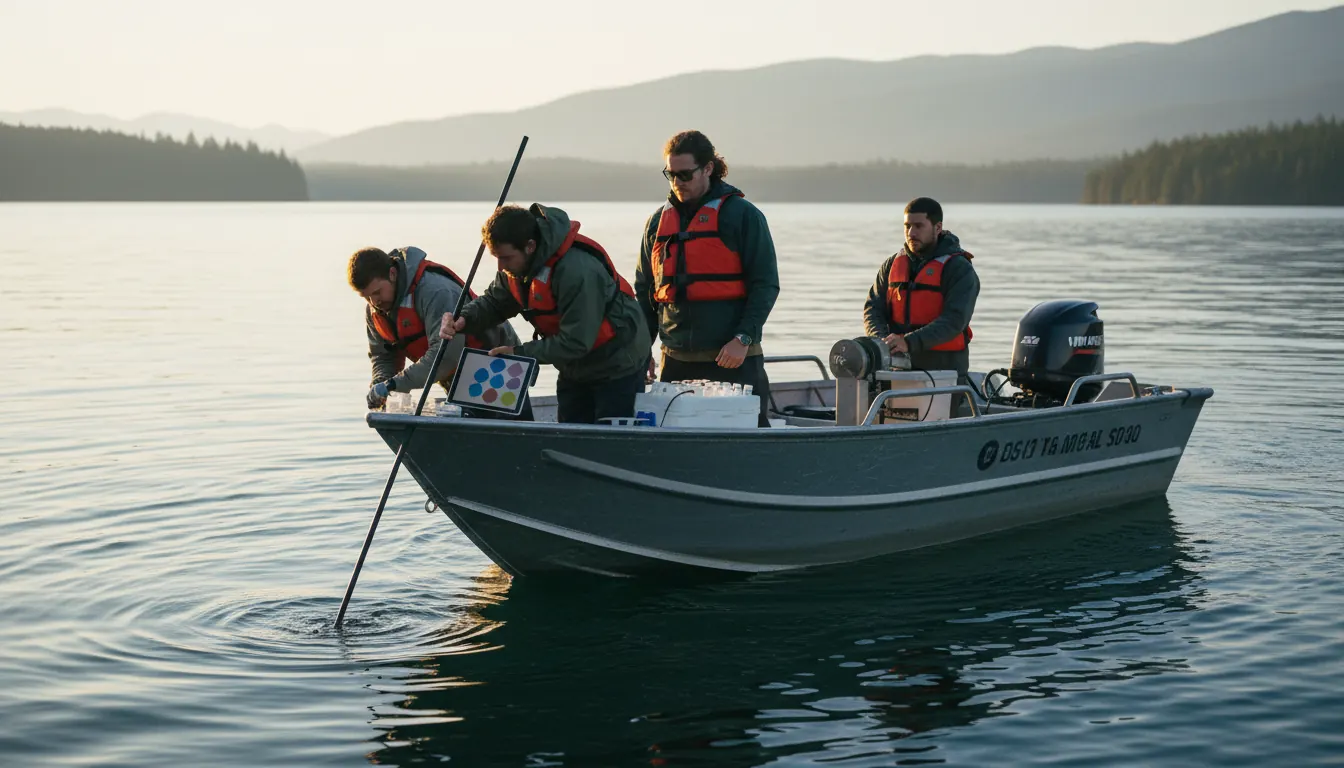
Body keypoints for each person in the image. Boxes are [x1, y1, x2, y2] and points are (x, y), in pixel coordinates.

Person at [439, 204, 650, 424]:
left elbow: (576, 341)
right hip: (574, 367)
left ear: (530, 246)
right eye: (496, 258)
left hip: (618, 362)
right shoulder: (514, 268)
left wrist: (518, 352)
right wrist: (463, 319)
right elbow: (494, 302)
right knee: (569, 434)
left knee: (609, 439)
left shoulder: (577, 271)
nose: (500, 266)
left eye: (506, 258)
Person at [635, 130, 780, 427]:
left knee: (748, 441)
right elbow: (645, 292)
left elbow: (765, 284)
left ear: (708, 169)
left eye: (685, 175)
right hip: (675, 362)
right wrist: (640, 350)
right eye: (670, 174)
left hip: (734, 359)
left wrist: (743, 337)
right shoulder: (656, 224)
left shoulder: (744, 216)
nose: (677, 183)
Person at [348, 245, 531, 418]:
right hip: (455, 377)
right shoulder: (375, 310)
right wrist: (381, 385)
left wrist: (396, 385)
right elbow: (383, 356)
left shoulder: (436, 291)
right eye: (366, 297)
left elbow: (447, 355)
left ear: (392, 274)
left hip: (498, 367)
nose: (374, 302)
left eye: (377, 292)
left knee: (508, 435)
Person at [862, 197, 980, 383]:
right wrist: (882, 343)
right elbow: (872, 308)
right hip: (895, 368)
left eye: (918, 226)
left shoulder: (959, 269)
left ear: (937, 228)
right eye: (907, 226)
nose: (911, 232)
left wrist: (908, 342)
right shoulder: (892, 265)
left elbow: (954, 321)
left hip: (944, 372)